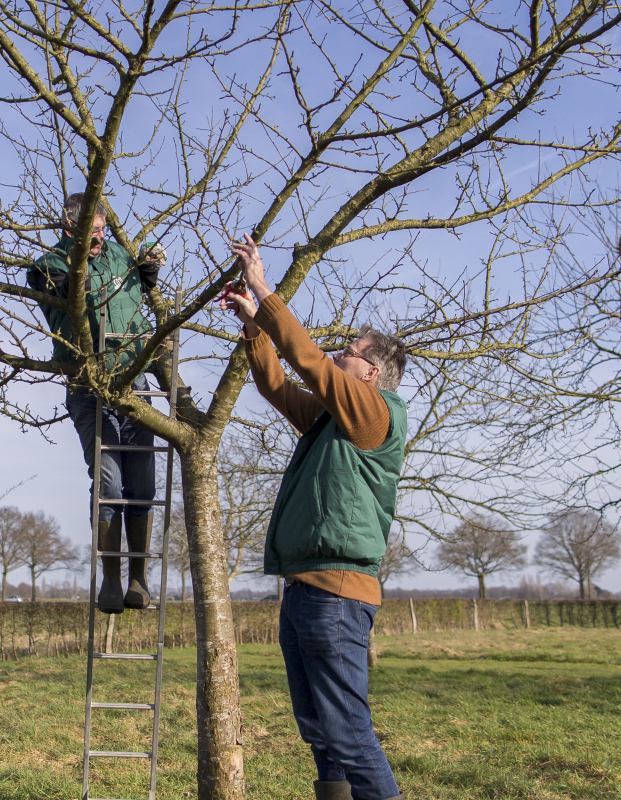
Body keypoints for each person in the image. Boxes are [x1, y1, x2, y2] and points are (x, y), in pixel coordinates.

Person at [220, 233, 408, 800]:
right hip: (303, 592)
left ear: (371, 372)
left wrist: (263, 288)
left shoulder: (373, 415)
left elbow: (306, 363)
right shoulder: (333, 422)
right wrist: (253, 325)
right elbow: (276, 384)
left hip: (338, 595)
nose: (337, 352)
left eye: (350, 350)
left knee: (348, 734)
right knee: (321, 735)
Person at [27, 192, 164, 614]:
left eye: (103, 231)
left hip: (133, 384)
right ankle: (111, 580)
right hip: (89, 387)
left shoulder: (120, 256)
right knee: (107, 485)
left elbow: (138, 307)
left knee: (143, 484)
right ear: (71, 230)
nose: (99, 240)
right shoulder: (49, 265)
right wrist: (76, 273)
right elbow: (66, 291)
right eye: (92, 233)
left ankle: (139, 579)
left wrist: (147, 272)